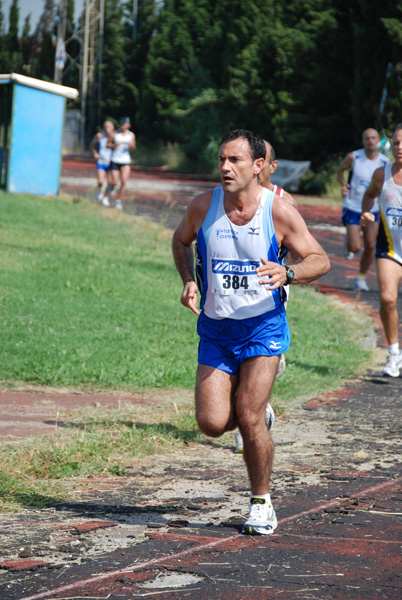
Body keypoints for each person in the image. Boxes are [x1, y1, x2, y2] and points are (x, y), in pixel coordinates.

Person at [172, 129, 330, 535]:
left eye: (235, 160)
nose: (225, 167)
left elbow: (320, 259)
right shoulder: (203, 206)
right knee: (210, 422)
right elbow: (180, 240)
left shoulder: (277, 211)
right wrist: (188, 279)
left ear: (259, 166)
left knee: (247, 416)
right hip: (217, 329)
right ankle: (256, 411)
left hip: (263, 328)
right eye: (222, 159)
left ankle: (261, 502)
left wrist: (289, 272)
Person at [233, 140, 300, 454]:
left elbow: (304, 251)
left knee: (256, 357)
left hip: (270, 291)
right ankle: (248, 417)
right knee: (235, 356)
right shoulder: (230, 199)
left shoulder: (285, 201)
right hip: (232, 292)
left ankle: (253, 411)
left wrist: (285, 272)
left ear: (269, 166)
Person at [361, 124, 402, 377]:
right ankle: (394, 353)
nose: (400, 148)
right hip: (390, 249)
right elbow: (369, 196)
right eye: (397, 143)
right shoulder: (381, 174)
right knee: (387, 298)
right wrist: (366, 212)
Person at [337, 128, 389, 291]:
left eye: (374, 138)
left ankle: (361, 278)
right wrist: (343, 185)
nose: (371, 141)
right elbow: (341, 170)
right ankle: (349, 244)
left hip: (373, 208)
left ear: (378, 141)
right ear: (363, 141)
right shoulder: (354, 157)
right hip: (353, 207)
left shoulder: (385, 162)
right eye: (367, 138)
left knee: (371, 245)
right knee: (356, 247)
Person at [109, 117, 136, 210]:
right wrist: (114, 145)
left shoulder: (131, 135)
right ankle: (112, 187)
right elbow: (108, 145)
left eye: (125, 124)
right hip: (115, 160)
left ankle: (119, 201)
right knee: (115, 182)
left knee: (124, 182)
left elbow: (133, 148)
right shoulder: (115, 134)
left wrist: (131, 145)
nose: (123, 126)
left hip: (126, 161)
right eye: (122, 124)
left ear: (128, 125)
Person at [91, 120, 115, 207]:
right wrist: (95, 153)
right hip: (101, 161)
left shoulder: (115, 137)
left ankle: (105, 197)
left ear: (113, 128)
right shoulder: (99, 136)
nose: (107, 128)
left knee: (110, 182)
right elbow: (92, 145)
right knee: (101, 181)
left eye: (109, 126)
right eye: (105, 126)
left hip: (111, 162)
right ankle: (100, 190)